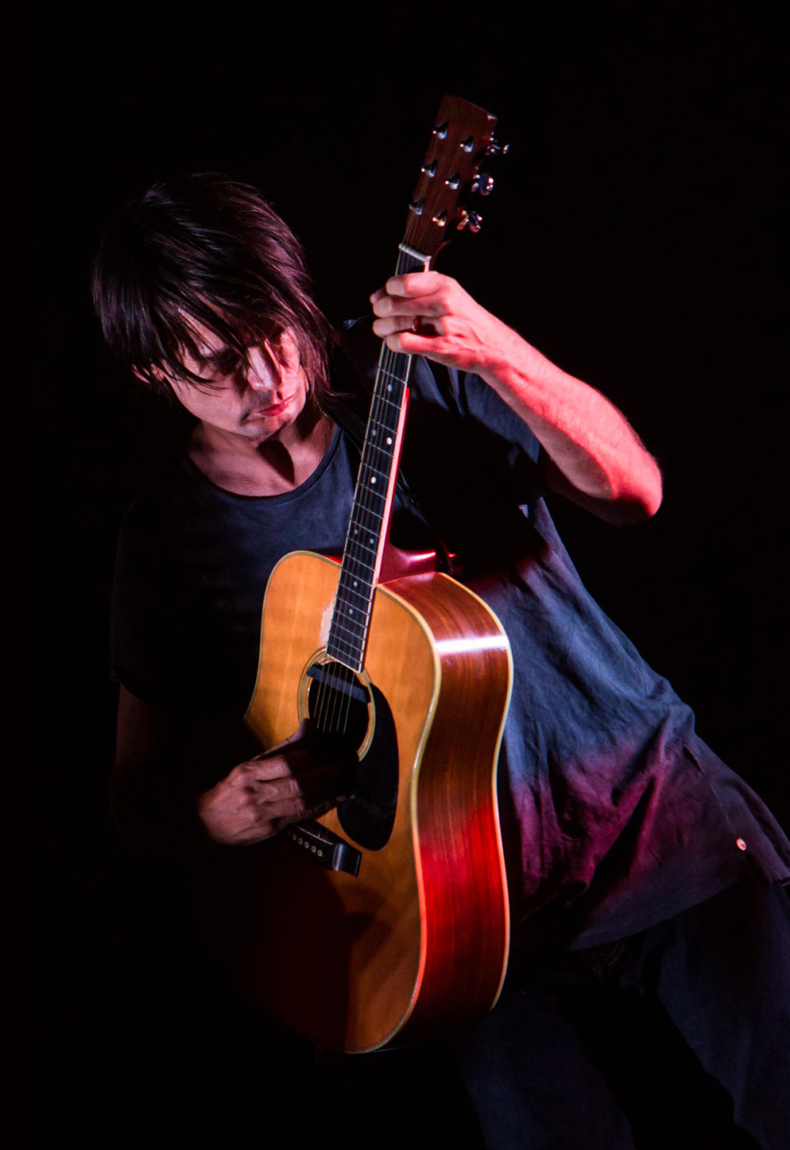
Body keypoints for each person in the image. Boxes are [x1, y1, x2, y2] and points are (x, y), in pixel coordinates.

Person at [90, 172, 789, 1149]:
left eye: (272, 332)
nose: (266, 381)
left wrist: (489, 347)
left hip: (646, 815)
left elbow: (634, 490)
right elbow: (135, 795)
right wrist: (214, 813)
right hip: (461, 927)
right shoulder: (170, 538)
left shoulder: (410, 369)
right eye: (214, 365)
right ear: (148, 373)